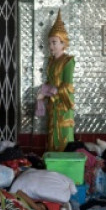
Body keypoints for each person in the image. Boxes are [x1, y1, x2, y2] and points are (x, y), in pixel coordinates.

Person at [37, 11, 75, 152]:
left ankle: (65, 164)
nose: (51, 46)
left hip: (63, 104)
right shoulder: (51, 62)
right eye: (49, 43)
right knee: (52, 134)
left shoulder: (68, 61)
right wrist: (43, 93)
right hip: (53, 104)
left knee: (63, 134)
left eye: (54, 42)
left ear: (63, 43)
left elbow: (67, 86)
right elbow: (49, 81)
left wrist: (51, 91)